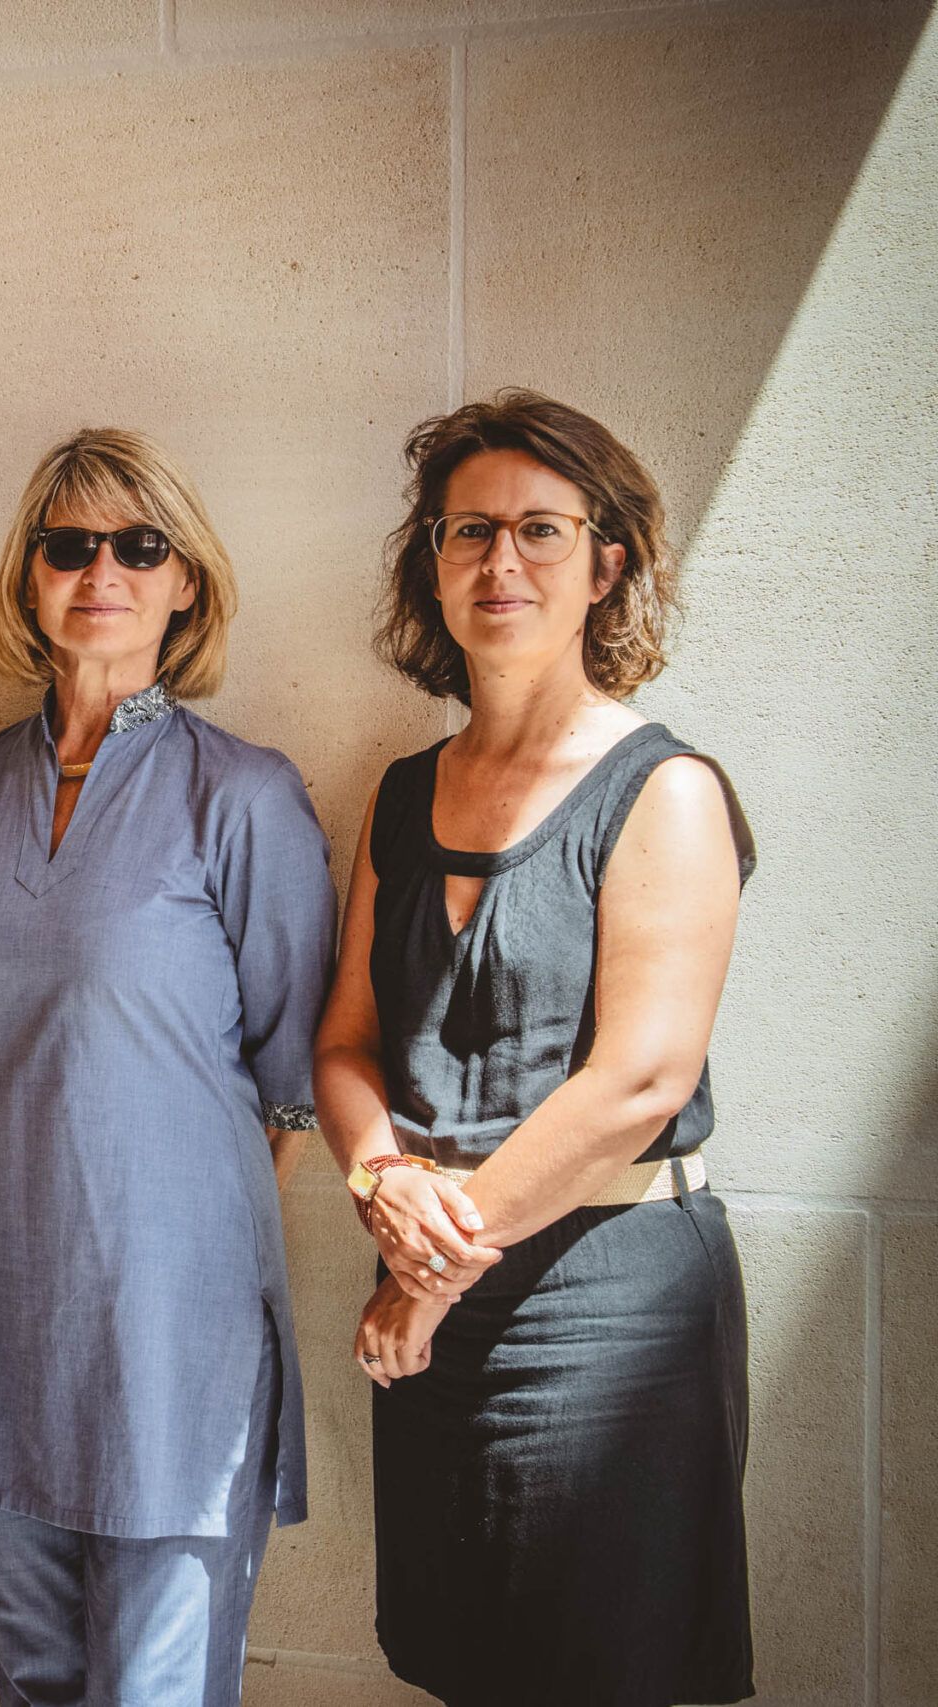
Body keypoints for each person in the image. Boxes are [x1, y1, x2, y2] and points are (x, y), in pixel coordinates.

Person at [313, 389, 756, 1707]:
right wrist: (381, 1178)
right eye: (469, 530)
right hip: (430, 1277)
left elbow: (641, 1080)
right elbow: (344, 1043)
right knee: (464, 1663)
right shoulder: (403, 791)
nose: (499, 561)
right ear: (432, 561)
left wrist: (433, 1270)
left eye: (539, 530)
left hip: (609, 1298)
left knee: (595, 1670)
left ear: (605, 564)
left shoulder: (666, 788)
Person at [0, 428, 336, 1706]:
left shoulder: (243, 795)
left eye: (140, 546)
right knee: (32, 1680)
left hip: (174, 1324)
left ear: (185, 580)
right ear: (28, 576)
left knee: (156, 1688)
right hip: (0, 1306)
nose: (102, 571)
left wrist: (170, 1247)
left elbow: (292, 1077)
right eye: (69, 545)